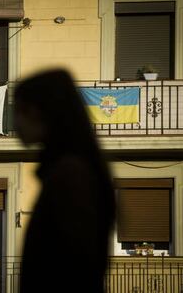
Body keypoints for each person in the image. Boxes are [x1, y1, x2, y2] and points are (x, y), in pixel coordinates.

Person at [14, 69, 115, 292]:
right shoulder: (69, 170)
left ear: (38, 112)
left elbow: (75, 265)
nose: (15, 121)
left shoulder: (69, 175)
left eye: (19, 110)